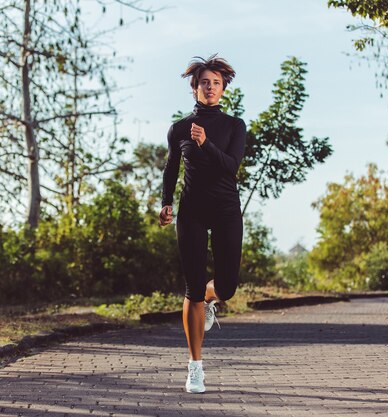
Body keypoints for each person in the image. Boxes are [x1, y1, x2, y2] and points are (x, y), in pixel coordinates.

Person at [159, 54, 246, 394]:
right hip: (192, 211)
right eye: (204, 83)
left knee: (226, 287)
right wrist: (166, 203)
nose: (210, 88)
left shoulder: (234, 127)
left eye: (216, 83)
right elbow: (170, 169)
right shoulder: (179, 128)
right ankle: (195, 367)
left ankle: (213, 297)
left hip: (226, 209)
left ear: (223, 89)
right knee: (192, 287)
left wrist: (205, 143)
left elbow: (231, 166)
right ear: (194, 88)